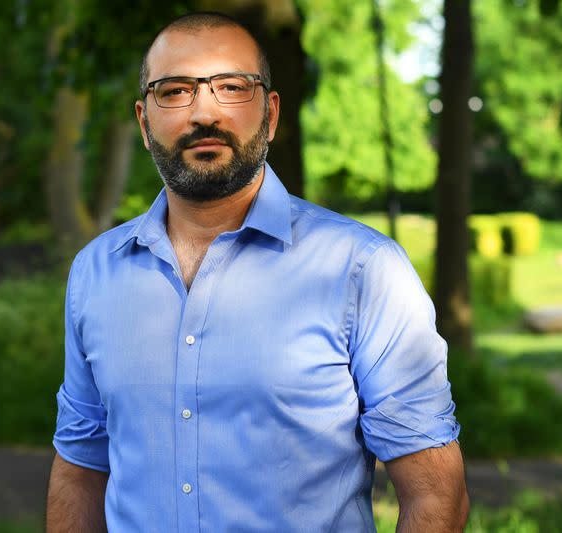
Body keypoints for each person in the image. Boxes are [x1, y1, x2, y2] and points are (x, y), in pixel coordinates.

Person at [46, 11, 469, 533]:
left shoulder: (361, 270)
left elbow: (436, 498)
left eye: (231, 87)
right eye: (175, 91)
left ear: (269, 114)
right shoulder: (96, 272)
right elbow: (80, 468)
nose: (205, 113)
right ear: (143, 119)